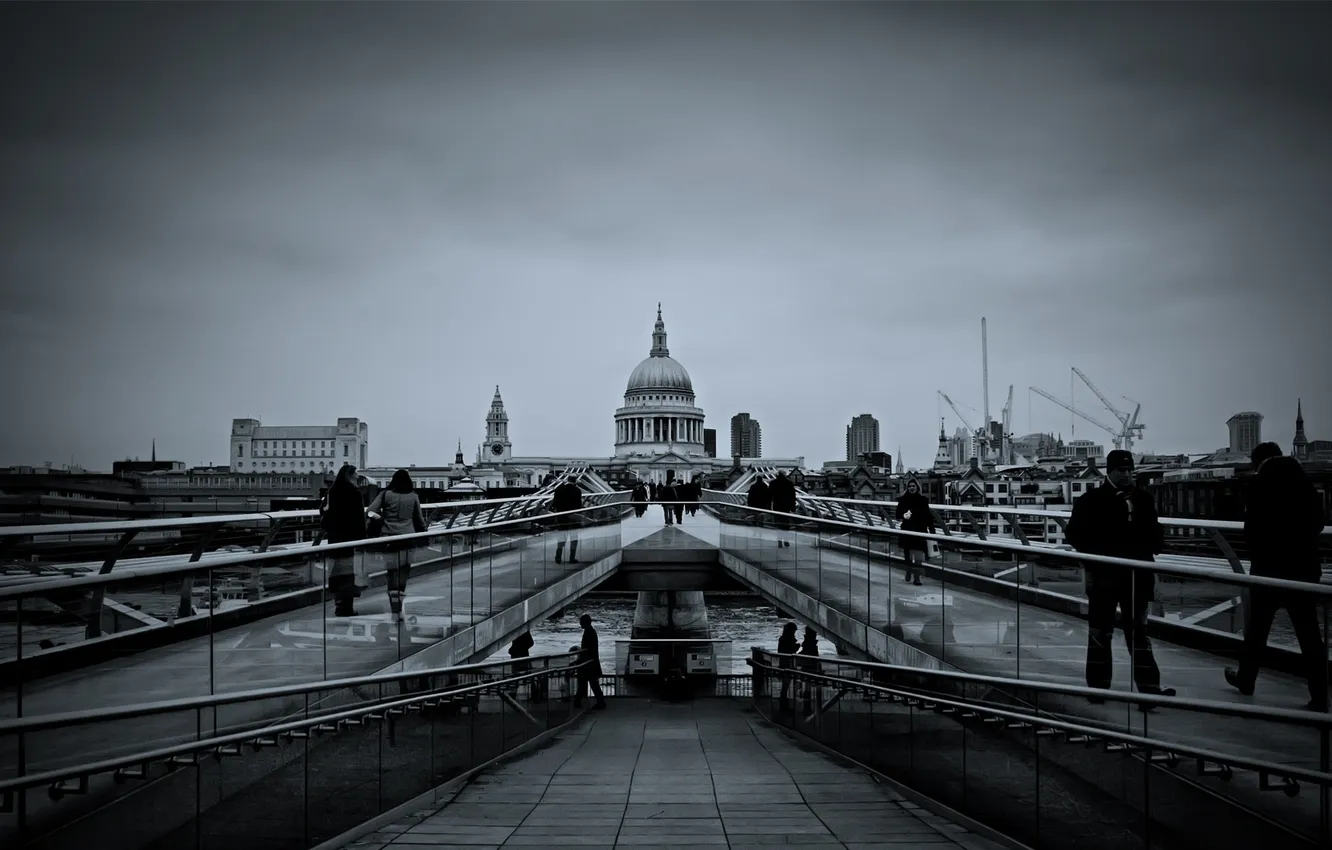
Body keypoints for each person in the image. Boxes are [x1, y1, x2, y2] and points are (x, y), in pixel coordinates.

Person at [1065, 449, 1176, 704]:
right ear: (1110, 472)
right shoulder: (1091, 500)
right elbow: (1074, 535)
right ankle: (1098, 688)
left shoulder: (1143, 500)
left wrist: (1149, 546)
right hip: (1105, 576)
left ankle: (1149, 691)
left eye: (1130, 470)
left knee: (1138, 631)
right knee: (1101, 631)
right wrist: (1098, 556)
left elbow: (1156, 536)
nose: (1127, 475)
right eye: (1122, 471)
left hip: (1137, 576)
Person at [1225, 455, 1328, 711]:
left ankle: (1246, 679)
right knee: (1309, 634)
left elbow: (1251, 532)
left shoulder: (1260, 492)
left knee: (1257, 630)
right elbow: (1318, 526)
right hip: (1303, 573)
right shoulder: (1308, 492)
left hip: (1268, 571)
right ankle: (1319, 696)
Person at [367, 469, 427, 619]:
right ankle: (399, 607)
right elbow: (419, 519)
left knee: (392, 572)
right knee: (403, 573)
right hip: (408, 537)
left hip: (389, 538)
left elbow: (369, 511)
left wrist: (380, 519)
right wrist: (424, 532)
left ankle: (394, 608)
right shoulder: (413, 497)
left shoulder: (385, 494)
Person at [319, 464, 368, 617]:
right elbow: (360, 518)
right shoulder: (354, 493)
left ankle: (338, 602)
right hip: (350, 538)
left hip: (335, 538)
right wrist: (362, 539)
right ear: (350, 475)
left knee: (336, 570)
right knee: (348, 571)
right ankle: (347, 606)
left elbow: (322, 512)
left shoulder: (332, 492)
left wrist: (331, 528)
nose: (358, 477)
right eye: (356, 474)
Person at [895, 479, 934, 586]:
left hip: (920, 529)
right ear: (907, 488)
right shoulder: (903, 500)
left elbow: (928, 516)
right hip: (907, 529)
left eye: (914, 486)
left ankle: (917, 578)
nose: (912, 488)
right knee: (907, 555)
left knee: (918, 555)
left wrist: (932, 531)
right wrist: (904, 515)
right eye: (910, 486)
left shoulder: (923, 500)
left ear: (917, 487)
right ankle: (908, 570)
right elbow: (897, 514)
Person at [575, 614, 607, 709]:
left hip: (588, 663)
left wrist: (580, 660)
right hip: (591, 662)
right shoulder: (591, 632)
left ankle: (577, 702)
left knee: (585, 683)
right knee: (592, 683)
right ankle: (599, 702)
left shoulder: (588, 633)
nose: (580, 624)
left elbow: (587, 649)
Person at [551, 474, 584, 564]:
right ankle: (571, 558)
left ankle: (558, 557)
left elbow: (555, 503)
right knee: (573, 537)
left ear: (567, 480)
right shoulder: (577, 491)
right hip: (573, 517)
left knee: (562, 537)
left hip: (561, 516)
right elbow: (578, 506)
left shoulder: (558, 489)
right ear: (575, 481)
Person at [769, 471, 798, 548]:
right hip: (786, 507)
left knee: (778, 524)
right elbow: (793, 496)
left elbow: (769, 496)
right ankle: (786, 540)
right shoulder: (789, 483)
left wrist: (769, 507)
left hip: (777, 506)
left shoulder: (773, 483)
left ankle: (779, 541)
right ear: (785, 475)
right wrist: (793, 507)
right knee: (786, 524)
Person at [798, 626, 821, 713]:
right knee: (808, 688)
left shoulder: (806, 643)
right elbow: (815, 656)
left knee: (806, 688)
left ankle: (806, 707)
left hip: (806, 667)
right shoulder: (812, 644)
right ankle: (807, 708)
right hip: (811, 667)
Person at [777, 622, 799, 710]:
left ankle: (784, 703)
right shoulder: (787, 640)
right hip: (787, 664)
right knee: (786, 685)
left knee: (785, 685)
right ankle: (784, 703)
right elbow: (789, 650)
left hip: (784, 664)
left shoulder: (782, 639)